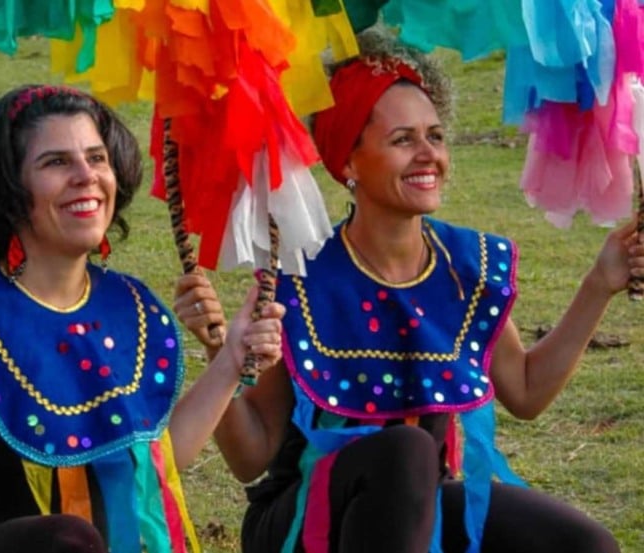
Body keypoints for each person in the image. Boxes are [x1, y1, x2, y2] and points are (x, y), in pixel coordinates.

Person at [207, 29, 638, 553]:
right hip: (307, 523)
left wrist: (601, 283)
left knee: (584, 546)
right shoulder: (300, 278)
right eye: (402, 139)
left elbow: (524, 390)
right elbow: (251, 457)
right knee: (406, 450)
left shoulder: (464, 266)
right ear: (347, 162)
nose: (427, 154)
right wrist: (221, 358)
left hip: (424, 510)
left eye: (434, 135)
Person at [0, 84, 285, 553]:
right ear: (7, 186)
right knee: (67, 540)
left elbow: (149, 467)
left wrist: (229, 360)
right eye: (56, 162)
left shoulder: (129, 304)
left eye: (96, 158)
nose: (86, 176)